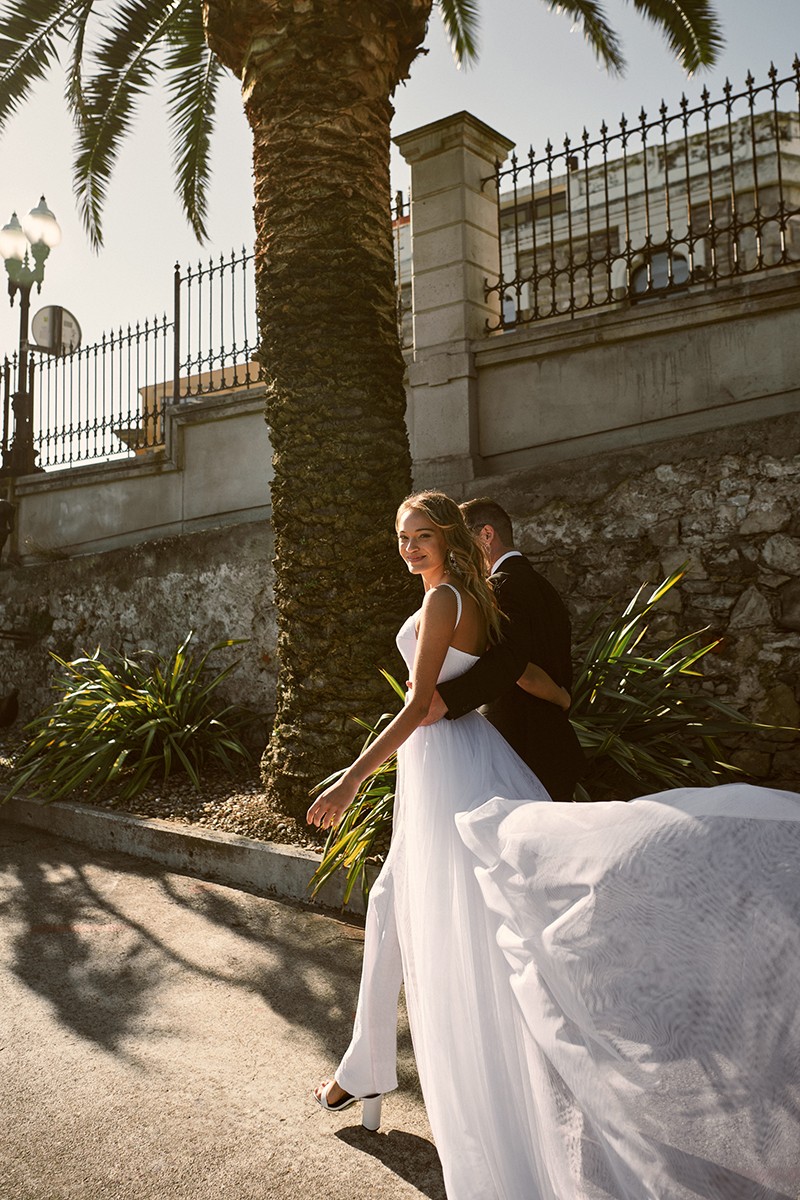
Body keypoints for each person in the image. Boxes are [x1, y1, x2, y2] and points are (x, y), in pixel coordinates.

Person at [308, 490, 800, 1200]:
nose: (409, 547)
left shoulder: (450, 600)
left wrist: (352, 779)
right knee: (404, 905)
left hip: (450, 762)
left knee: (479, 927)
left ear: (453, 536)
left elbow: (424, 702)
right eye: (401, 536)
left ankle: (537, 1086)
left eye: (421, 535)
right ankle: (368, 1070)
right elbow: (503, 676)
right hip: (449, 758)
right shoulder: (471, 595)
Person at [428, 497, 585, 802]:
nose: (455, 551)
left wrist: (444, 700)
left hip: (520, 742)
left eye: (461, 539)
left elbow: (515, 666)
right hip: (554, 743)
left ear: (486, 535)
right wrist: (564, 696)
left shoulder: (501, 586)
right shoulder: (542, 585)